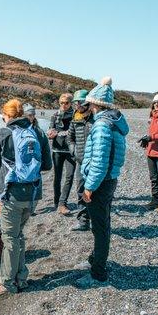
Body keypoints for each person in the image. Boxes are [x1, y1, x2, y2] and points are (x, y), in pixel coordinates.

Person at [0, 99, 52, 296]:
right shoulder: (37, 132)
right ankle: (21, 278)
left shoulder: (3, 133)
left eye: (3, 115)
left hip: (11, 195)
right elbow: (47, 165)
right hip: (32, 195)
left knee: (10, 239)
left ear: (6, 115)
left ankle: (7, 282)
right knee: (18, 235)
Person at [74, 77, 129, 287]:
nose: (87, 107)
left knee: (100, 227)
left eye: (89, 103)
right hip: (109, 180)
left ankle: (98, 273)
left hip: (100, 182)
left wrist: (89, 187)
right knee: (103, 224)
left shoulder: (102, 126)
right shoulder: (114, 123)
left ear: (96, 104)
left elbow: (99, 161)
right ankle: (95, 260)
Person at [67, 89, 94, 231]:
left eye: (78, 103)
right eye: (75, 104)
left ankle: (97, 221)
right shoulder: (75, 119)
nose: (76, 106)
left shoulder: (95, 120)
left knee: (95, 192)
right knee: (80, 191)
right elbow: (69, 138)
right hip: (80, 161)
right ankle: (83, 222)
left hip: (95, 163)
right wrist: (74, 152)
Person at [47, 93, 75, 215]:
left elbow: (75, 132)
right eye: (61, 103)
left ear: (71, 103)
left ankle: (63, 203)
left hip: (70, 150)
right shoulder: (55, 115)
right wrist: (50, 134)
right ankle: (56, 201)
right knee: (57, 177)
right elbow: (50, 129)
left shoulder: (76, 115)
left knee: (69, 176)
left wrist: (60, 133)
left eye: (66, 103)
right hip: (57, 150)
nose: (64, 105)